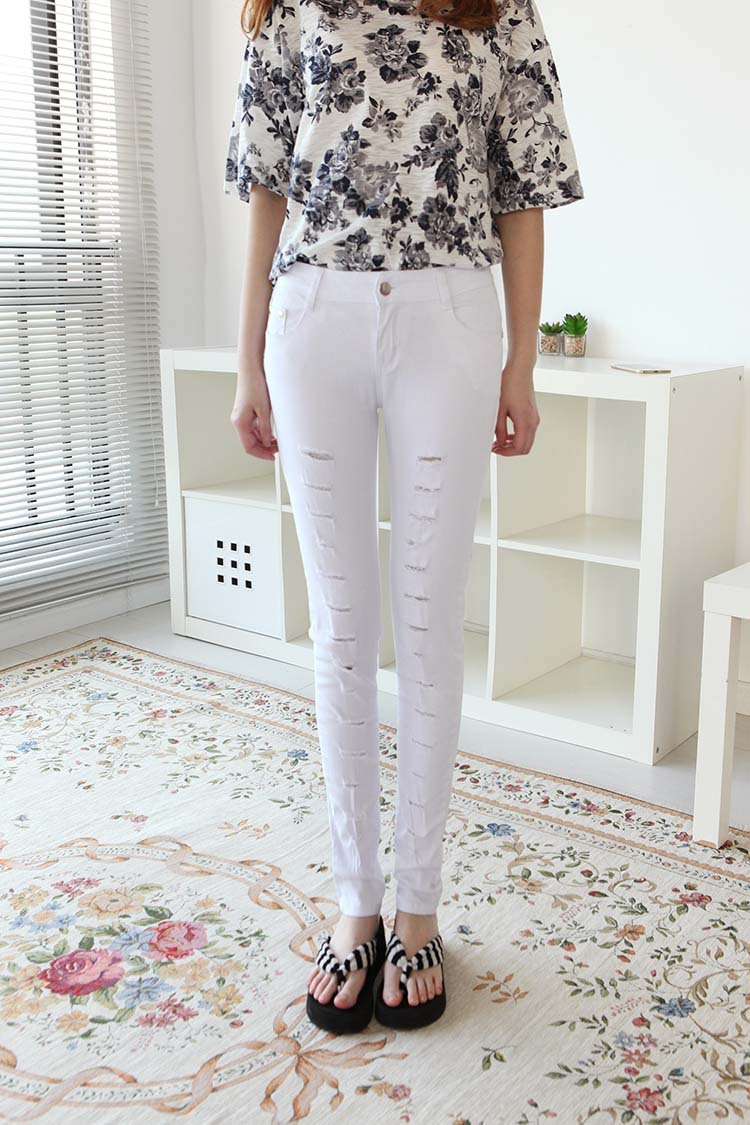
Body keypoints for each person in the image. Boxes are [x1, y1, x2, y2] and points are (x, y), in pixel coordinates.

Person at [225, 0, 583, 1032]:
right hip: (312, 317)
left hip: (450, 317)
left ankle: (417, 905)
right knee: (341, 627)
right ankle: (357, 901)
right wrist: (246, 361)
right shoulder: (287, 7)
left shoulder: (497, 6)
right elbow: (267, 185)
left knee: (429, 619)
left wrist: (522, 362)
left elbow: (523, 189)